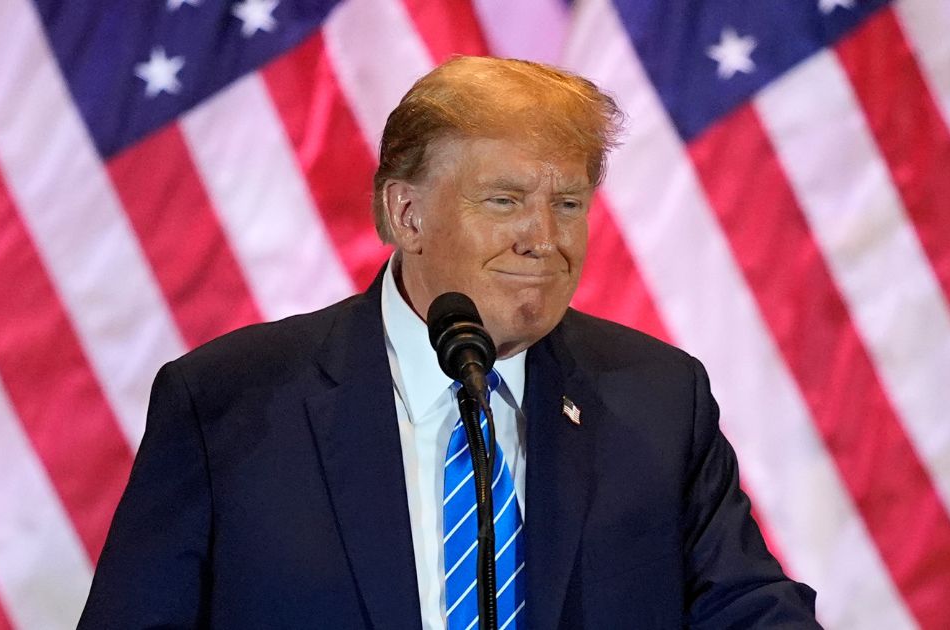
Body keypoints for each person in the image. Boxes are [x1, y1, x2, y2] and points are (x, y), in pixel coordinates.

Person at [79, 56, 818, 629]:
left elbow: (750, 611)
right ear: (407, 213)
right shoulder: (228, 403)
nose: (544, 239)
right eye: (504, 201)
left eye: (568, 204)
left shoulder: (657, 397)